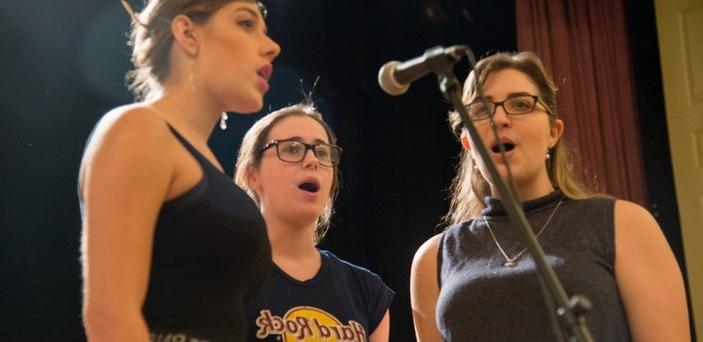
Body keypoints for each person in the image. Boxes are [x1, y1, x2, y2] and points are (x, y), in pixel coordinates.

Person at [410, 52, 690, 341]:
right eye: (482, 110)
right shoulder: (434, 258)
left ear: (553, 133)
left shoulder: (624, 224)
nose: (500, 118)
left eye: (520, 104)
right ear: (467, 142)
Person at [78, 0, 280, 340]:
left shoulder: (205, 163)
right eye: (246, 23)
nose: (272, 46)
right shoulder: (138, 129)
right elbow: (110, 316)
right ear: (187, 33)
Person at [234, 102, 395, 342]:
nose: (312, 160)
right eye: (291, 149)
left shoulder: (366, 289)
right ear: (252, 175)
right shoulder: (225, 275)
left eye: (321, 152)